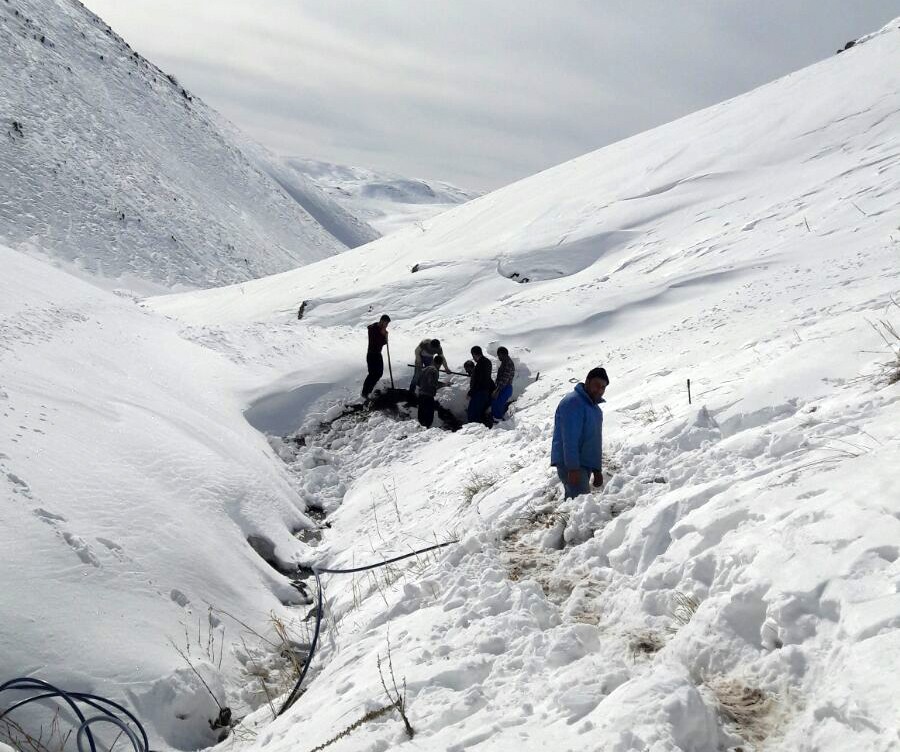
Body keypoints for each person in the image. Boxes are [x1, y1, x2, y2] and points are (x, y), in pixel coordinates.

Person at [550, 367, 609, 499]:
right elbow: (570, 438)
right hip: (571, 464)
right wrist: (572, 468)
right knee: (579, 505)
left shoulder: (594, 409)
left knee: (576, 504)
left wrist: (596, 469)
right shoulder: (573, 402)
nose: (599, 390)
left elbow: (594, 440)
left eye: (603, 387)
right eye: (596, 385)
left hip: (583, 464)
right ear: (587, 382)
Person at [362, 314, 390, 398]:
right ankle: (365, 392)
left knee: (379, 373)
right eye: (386, 323)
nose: (386, 325)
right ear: (382, 321)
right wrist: (382, 334)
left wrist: (386, 336)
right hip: (371, 354)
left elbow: (384, 343)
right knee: (372, 374)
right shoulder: (373, 328)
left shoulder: (382, 330)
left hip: (378, 353)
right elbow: (376, 341)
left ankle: (369, 390)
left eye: (387, 324)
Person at [467, 346, 494, 425]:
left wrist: (470, 393)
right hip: (486, 391)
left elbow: (478, 381)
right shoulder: (488, 362)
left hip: (479, 392)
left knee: (472, 413)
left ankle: (474, 430)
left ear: (474, 354)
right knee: (479, 412)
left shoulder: (479, 365)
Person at [417, 354, 444, 428]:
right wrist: (444, 384)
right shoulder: (434, 370)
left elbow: (418, 382)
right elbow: (432, 382)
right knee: (428, 419)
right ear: (440, 364)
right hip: (428, 396)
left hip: (421, 395)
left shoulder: (424, 369)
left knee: (421, 418)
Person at [491, 346, 515, 420]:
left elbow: (505, 378)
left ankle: (498, 421)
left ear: (503, 354)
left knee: (497, 403)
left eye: (499, 355)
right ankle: (496, 419)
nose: (498, 357)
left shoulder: (508, 363)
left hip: (505, 388)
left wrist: (497, 390)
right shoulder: (505, 362)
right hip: (503, 387)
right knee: (495, 403)